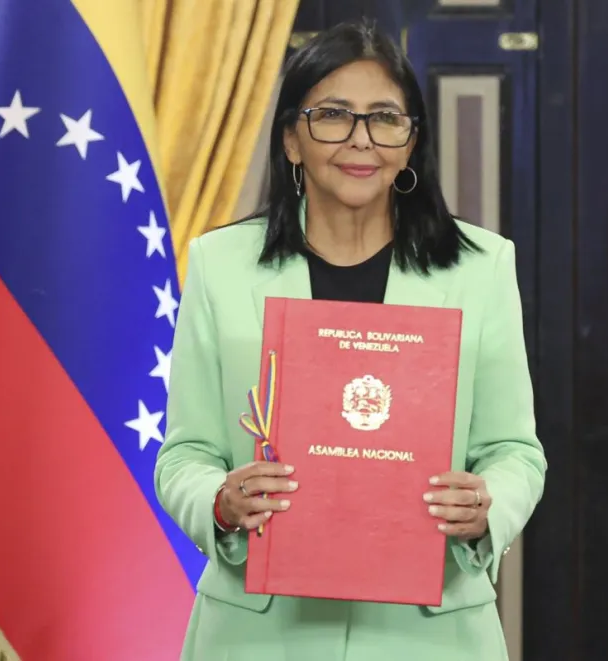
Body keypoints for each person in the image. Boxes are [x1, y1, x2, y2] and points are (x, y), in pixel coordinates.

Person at [154, 18, 547, 661]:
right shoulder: (221, 265)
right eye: (332, 115)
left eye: (385, 118)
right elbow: (185, 454)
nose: (360, 140)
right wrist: (220, 502)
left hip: (430, 629)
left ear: (410, 141)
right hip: (260, 631)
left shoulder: (482, 267)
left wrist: (488, 505)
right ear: (290, 139)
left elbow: (515, 451)